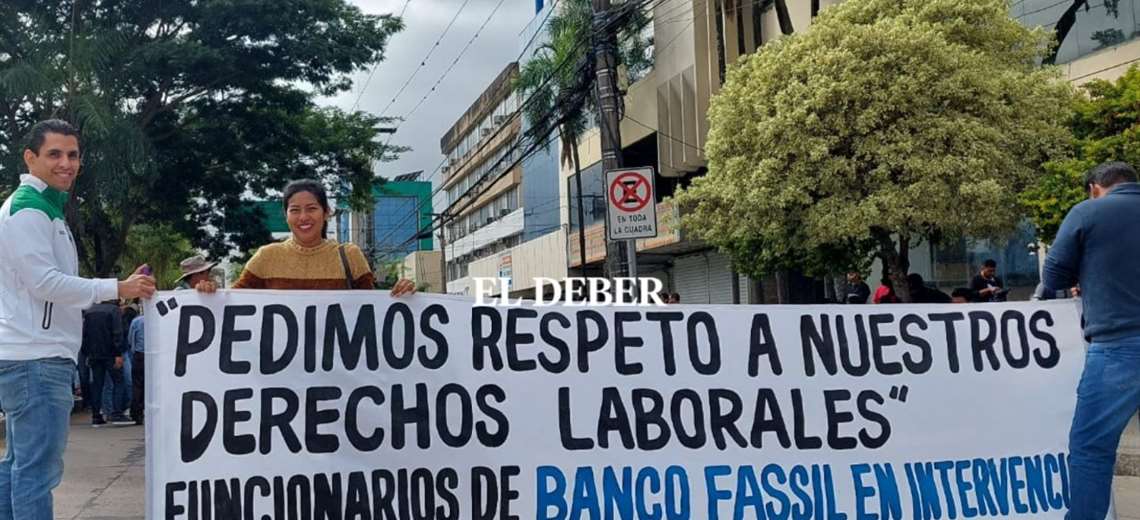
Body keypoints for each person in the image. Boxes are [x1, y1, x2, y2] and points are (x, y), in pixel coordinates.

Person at [0, 119, 155, 519]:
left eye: (72, 155)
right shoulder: (28, 210)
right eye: (54, 154)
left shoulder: (43, 208)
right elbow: (46, 283)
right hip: (36, 357)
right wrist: (117, 288)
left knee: (19, 465)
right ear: (30, 158)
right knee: (36, 472)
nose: (66, 163)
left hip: (31, 354)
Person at [1039, 161, 1140, 519]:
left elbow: (1053, 275)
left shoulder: (1088, 212)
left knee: (1091, 449)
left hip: (1119, 347)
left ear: (1096, 188)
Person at [197, 179, 415, 295]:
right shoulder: (266, 257)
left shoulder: (350, 256)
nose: (303, 217)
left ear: (326, 212)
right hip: (277, 373)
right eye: (295, 210)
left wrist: (403, 296)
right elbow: (232, 306)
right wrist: (208, 295)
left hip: (338, 368)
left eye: (311, 208)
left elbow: (373, 310)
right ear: (286, 216)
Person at [81, 300, 131, 426]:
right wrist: (118, 353)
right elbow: (117, 332)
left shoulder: (89, 310)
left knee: (98, 384)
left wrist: (86, 352)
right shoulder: (114, 310)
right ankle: (117, 413)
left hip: (94, 354)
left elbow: (85, 334)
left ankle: (96, 415)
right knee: (118, 382)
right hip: (110, 353)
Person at [127, 311, 144, 425]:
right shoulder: (159, 319)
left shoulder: (137, 321)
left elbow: (130, 339)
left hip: (139, 355)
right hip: (155, 355)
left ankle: (136, 413)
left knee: (137, 385)